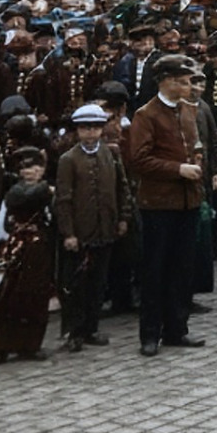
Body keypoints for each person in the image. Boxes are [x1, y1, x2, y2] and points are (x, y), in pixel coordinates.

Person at [125, 55, 208, 357]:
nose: (189, 86)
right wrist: (178, 170)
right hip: (159, 204)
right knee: (156, 270)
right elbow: (139, 160)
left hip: (188, 202)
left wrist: (197, 161)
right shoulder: (146, 115)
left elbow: (195, 144)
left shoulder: (188, 110)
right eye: (184, 81)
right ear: (167, 81)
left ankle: (176, 329)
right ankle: (150, 334)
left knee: (182, 269)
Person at [54, 103, 131, 352]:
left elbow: (122, 188)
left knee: (98, 283)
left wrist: (123, 218)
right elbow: (63, 199)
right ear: (77, 131)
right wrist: (69, 233)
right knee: (77, 284)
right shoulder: (68, 159)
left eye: (95, 128)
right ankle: (74, 331)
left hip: (105, 228)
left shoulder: (111, 153)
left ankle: (91, 328)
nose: (91, 134)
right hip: (80, 230)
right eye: (85, 129)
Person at [0, 149, 56, 363]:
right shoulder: (16, 191)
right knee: (10, 296)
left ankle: (31, 345)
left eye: (36, 167)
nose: (30, 171)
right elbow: (20, 201)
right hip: (17, 247)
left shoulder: (50, 192)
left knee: (36, 295)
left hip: (40, 248)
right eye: (25, 167)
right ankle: (2, 346)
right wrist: (45, 190)